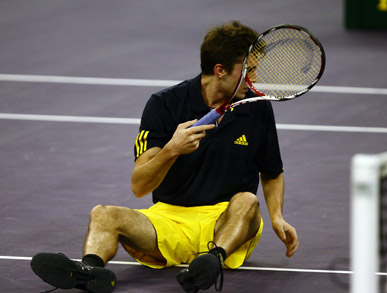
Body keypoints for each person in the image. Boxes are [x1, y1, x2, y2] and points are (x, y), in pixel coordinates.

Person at [31, 20, 298, 293]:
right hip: (168, 222)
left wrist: (277, 217)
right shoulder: (165, 104)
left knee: (247, 201)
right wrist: (172, 149)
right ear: (220, 70)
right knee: (103, 215)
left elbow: (272, 172)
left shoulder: (257, 108)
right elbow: (139, 186)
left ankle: (212, 261)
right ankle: (89, 271)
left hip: (226, 225)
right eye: (247, 71)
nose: (254, 79)